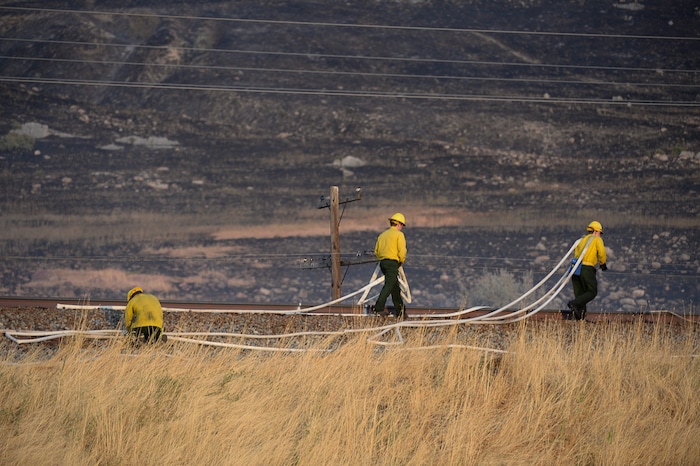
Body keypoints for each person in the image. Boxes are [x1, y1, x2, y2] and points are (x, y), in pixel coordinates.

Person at [567, 221, 608, 320]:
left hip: (576, 269)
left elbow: (576, 254)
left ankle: (580, 316)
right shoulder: (597, 239)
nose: (599, 235)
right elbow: (601, 252)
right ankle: (574, 304)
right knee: (591, 291)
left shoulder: (582, 240)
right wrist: (603, 263)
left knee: (580, 293)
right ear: (596, 231)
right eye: (599, 233)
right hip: (587, 268)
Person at [373, 213, 408, 319]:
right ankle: (378, 308)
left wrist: (382, 258)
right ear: (398, 224)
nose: (402, 227)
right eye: (402, 225)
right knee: (389, 286)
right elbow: (402, 252)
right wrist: (401, 261)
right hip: (393, 263)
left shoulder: (382, 235)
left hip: (383, 263)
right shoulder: (399, 235)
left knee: (395, 288)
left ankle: (401, 312)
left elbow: (376, 251)